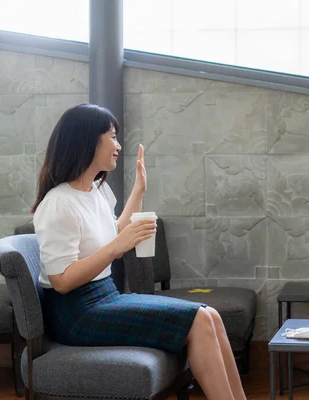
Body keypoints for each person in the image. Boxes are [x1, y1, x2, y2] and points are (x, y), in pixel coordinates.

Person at [31, 103, 247, 400]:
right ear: (88, 140)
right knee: (198, 320)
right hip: (76, 314)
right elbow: (62, 280)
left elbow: (112, 235)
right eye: (112, 136)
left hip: (105, 297)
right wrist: (118, 245)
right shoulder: (58, 203)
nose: (118, 145)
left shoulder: (97, 191)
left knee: (210, 315)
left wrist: (139, 192)